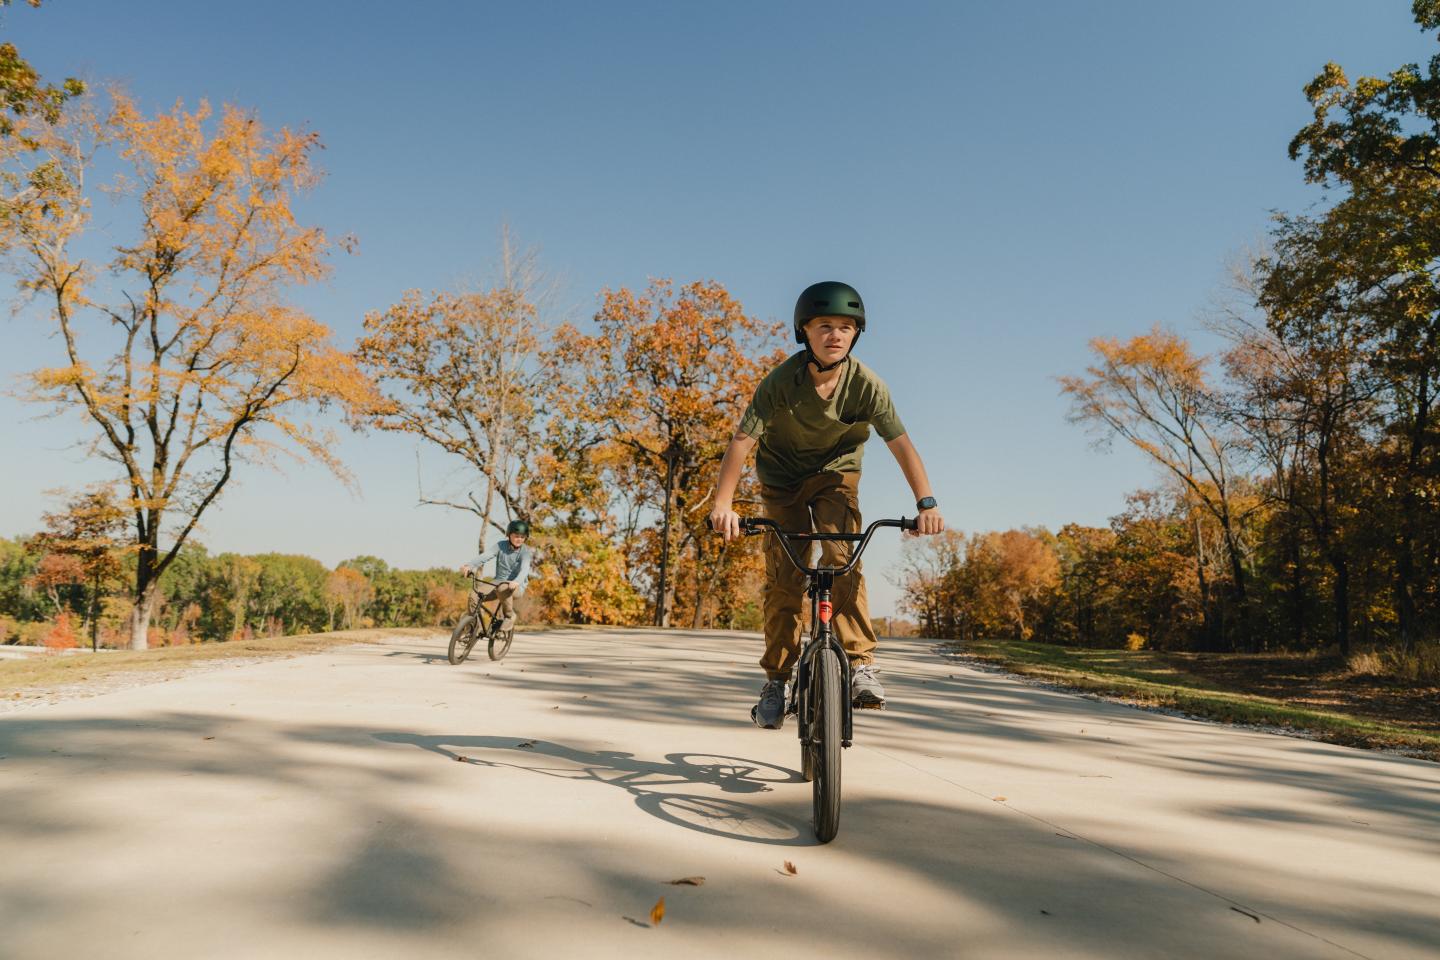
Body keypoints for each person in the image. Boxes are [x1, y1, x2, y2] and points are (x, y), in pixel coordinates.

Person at [709, 281, 944, 728]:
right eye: (824, 326)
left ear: (856, 334)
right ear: (805, 332)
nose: (835, 334)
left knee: (843, 558)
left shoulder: (867, 386)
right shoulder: (781, 382)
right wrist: (724, 503)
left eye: (845, 326)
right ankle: (776, 681)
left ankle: (861, 665)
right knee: (786, 576)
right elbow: (742, 442)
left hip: (837, 476)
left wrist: (926, 502)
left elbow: (902, 445)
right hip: (781, 480)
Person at [459, 519, 533, 633]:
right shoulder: (500, 545)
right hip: (497, 582)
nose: (519, 539)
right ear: (509, 535)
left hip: (516, 586)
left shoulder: (525, 552)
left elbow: (524, 569)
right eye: (516, 536)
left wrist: (516, 581)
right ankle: (474, 626)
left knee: (503, 587)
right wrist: (469, 565)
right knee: (474, 595)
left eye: (522, 537)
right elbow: (486, 555)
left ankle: (509, 616)